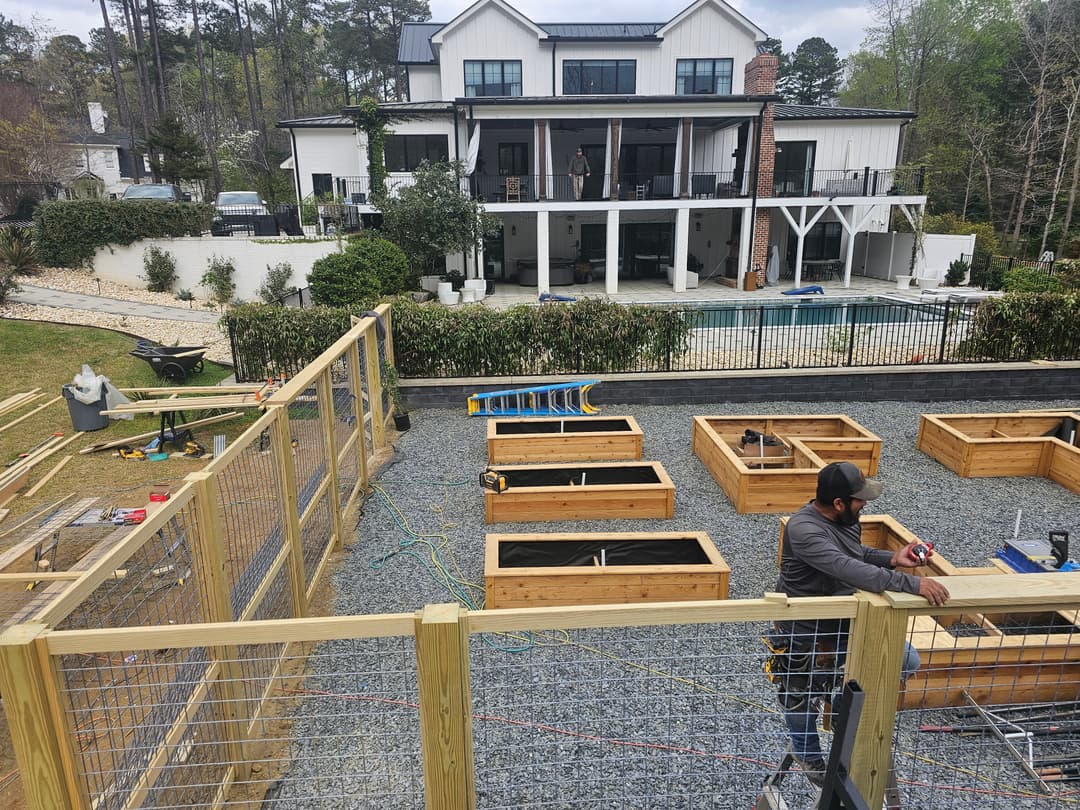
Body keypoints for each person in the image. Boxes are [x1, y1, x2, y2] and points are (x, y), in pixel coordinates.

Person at [767, 461, 949, 787]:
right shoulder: (804, 529)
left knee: (906, 659)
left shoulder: (846, 519)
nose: (865, 504)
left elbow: (855, 554)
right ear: (838, 503)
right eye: (859, 499)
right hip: (803, 630)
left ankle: (841, 707)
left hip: (843, 620)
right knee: (798, 694)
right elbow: (845, 568)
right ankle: (810, 758)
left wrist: (893, 558)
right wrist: (913, 584)